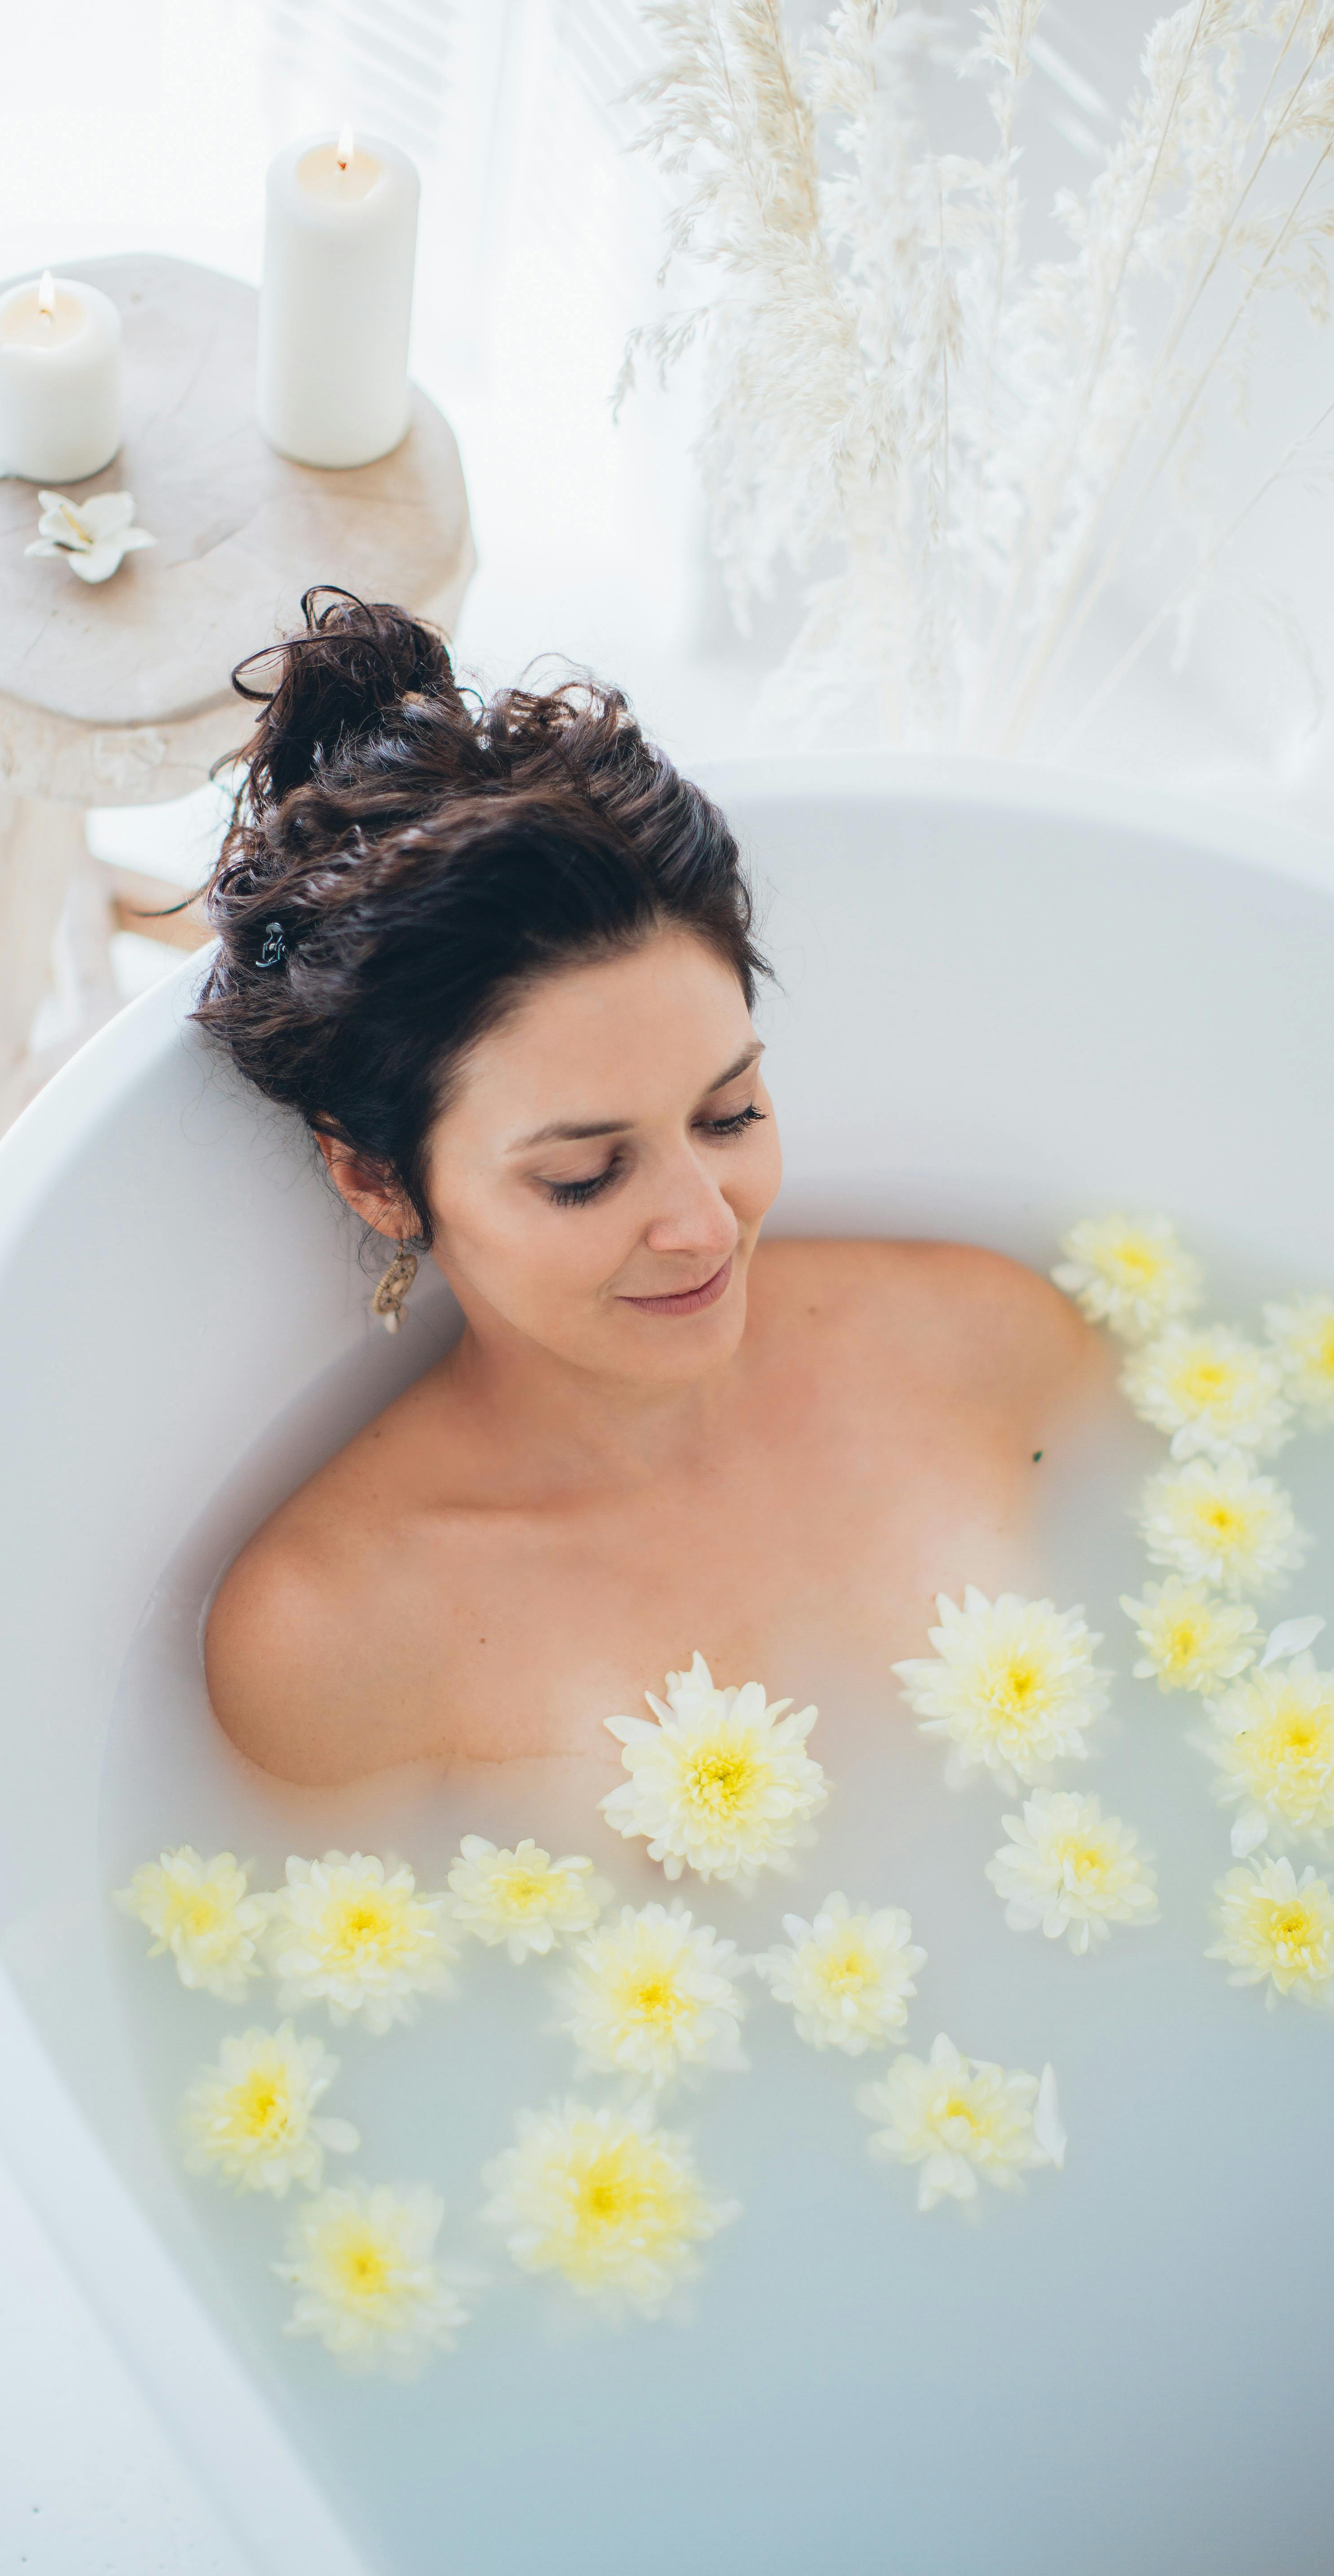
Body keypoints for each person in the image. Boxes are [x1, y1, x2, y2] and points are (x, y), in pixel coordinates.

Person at [195, 590, 1107, 1791]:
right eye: (584, 1176)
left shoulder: (985, 1338)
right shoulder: (331, 1637)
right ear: (378, 1179)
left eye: (729, 1115)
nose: (702, 1225)